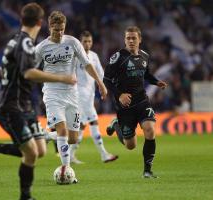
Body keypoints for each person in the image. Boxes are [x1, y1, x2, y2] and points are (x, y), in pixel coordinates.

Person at [0, 3, 76, 200]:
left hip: (25, 105)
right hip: (12, 106)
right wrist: (61, 78)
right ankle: (26, 196)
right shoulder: (25, 43)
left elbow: (9, 69)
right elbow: (28, 72)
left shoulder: (14, 42)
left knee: (40, 150)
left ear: (22, 20)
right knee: (31, 153)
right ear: (41, 23)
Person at [35, 11, 107, 180]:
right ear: (50, 26)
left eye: (62, 29)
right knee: (61, 130)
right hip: (52, 94)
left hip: (72, 95)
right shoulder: (41, 47)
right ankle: (65, 169)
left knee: (73, 139)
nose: (59, 33)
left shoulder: (73, 42)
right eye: (56, 29)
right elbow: (30, 69)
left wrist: (100, 83)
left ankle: (46, 135)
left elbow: (87, 64)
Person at [103, 26, 167, 178]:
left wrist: (156, 82)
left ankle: (147, 171)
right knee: (130, 145)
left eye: (134, 38)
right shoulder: (118, 57)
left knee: (150, 129)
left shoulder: (145, 55)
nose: (131, 41)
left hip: (142, 100)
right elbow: (106, 80)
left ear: (140, 39)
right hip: (125, 106)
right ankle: (116, 125)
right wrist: (119, 95)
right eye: (128, 38)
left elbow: (146, 74)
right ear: (125, 40)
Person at [70, 30, 118, 164]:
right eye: (84, 41)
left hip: (89, 95)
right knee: (93, 121)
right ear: (80, 42)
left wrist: (105, 85)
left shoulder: (94, 56)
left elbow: (101, 74)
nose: (87, 44)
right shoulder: (75, 56)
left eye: (89, 41)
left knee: (81, 126)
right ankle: (104, 154)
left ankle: (70, 155)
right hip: (79, 94)